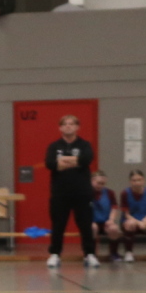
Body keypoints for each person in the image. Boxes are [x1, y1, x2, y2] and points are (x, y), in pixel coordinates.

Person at [45, 113, 98, 269]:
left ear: (77, 127)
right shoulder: (54, 146)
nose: (68, 126)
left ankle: (89, 254)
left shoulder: (84, 145)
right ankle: (55, 254)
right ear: (60, 127)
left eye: (72, 123)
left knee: (85, 225)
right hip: (60, 193)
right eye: (65, 124)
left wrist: (63, 161)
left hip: (82, 192)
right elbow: (50, 164)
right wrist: (74, 161)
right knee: (58, 225)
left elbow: (86, 159)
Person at [119, 169, 146, 263]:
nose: (137, 182)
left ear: (143, 180)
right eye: (134, 180)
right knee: (130, 224)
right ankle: (129, 252)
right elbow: (126, 214)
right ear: (130, 181)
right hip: (131, 220)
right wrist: (138, 223)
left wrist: (145, 221)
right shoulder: (125, 193)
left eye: (139, 180)